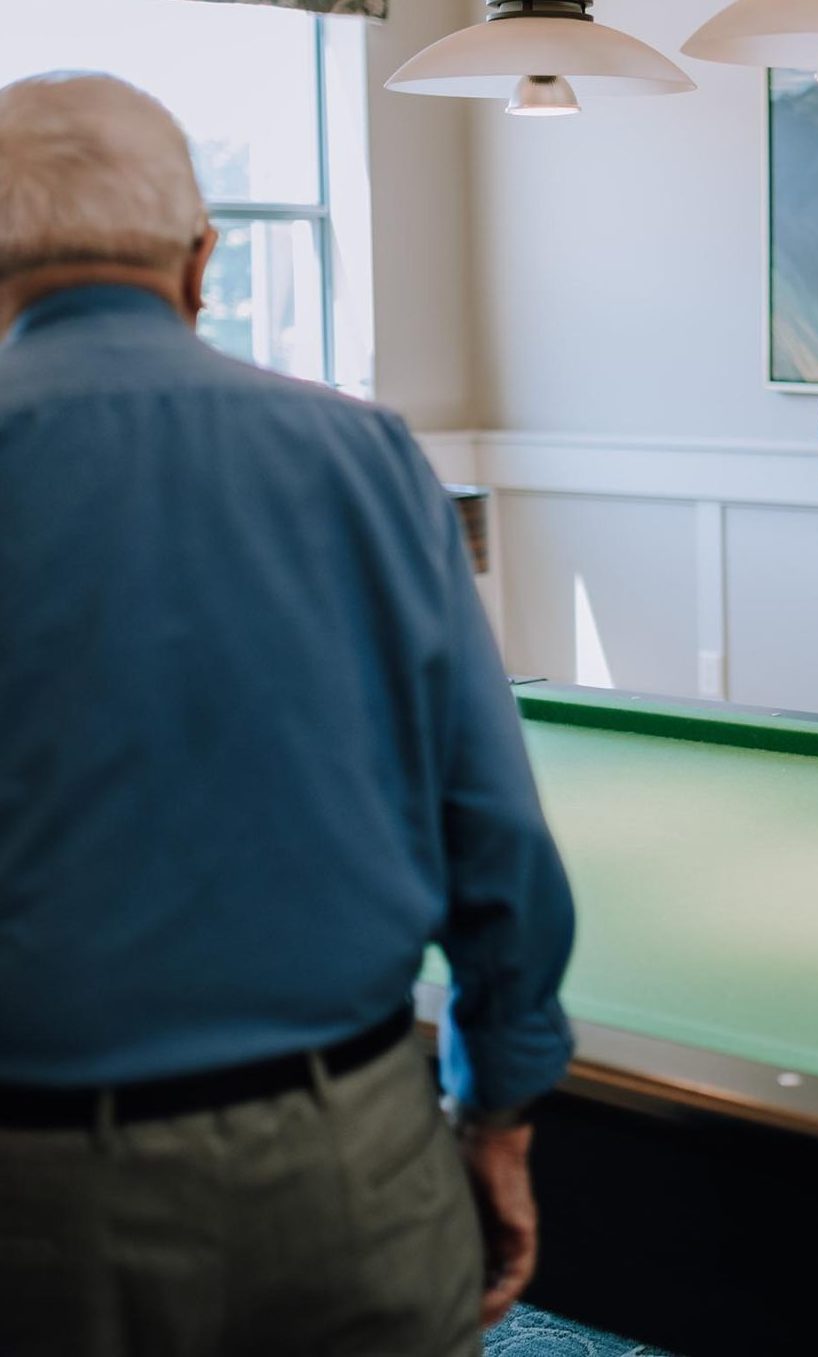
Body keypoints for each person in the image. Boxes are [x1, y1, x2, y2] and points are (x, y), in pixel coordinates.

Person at [0, 74, 575, 1354]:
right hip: (348, 1167)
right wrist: (498, 1117)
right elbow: (494, 834)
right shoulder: (365, 456)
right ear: (201, 262)